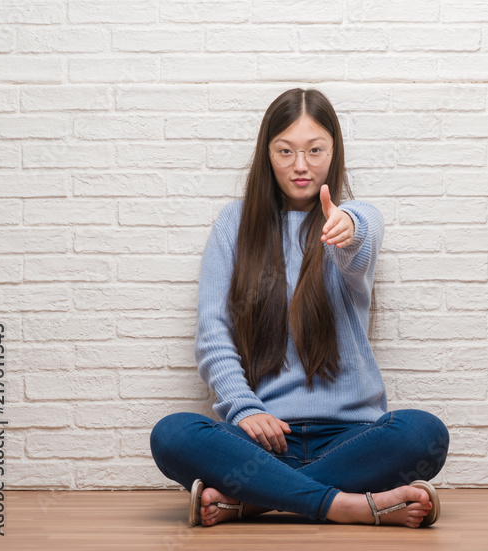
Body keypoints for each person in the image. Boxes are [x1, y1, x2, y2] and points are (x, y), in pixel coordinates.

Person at [148, 88, 450, 529]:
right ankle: (346, 505)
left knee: (424, 433)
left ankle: (255, 501)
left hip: (352, 439)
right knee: (172, 434)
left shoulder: (351, 218)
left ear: (334, 151)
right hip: (262, 441)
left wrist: (348, 228)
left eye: (315, 150)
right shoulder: (233, 224)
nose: (301, 165)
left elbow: (360, 236)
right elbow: (213, 332)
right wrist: (246, 409)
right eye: (285, 151)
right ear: (267, 154)